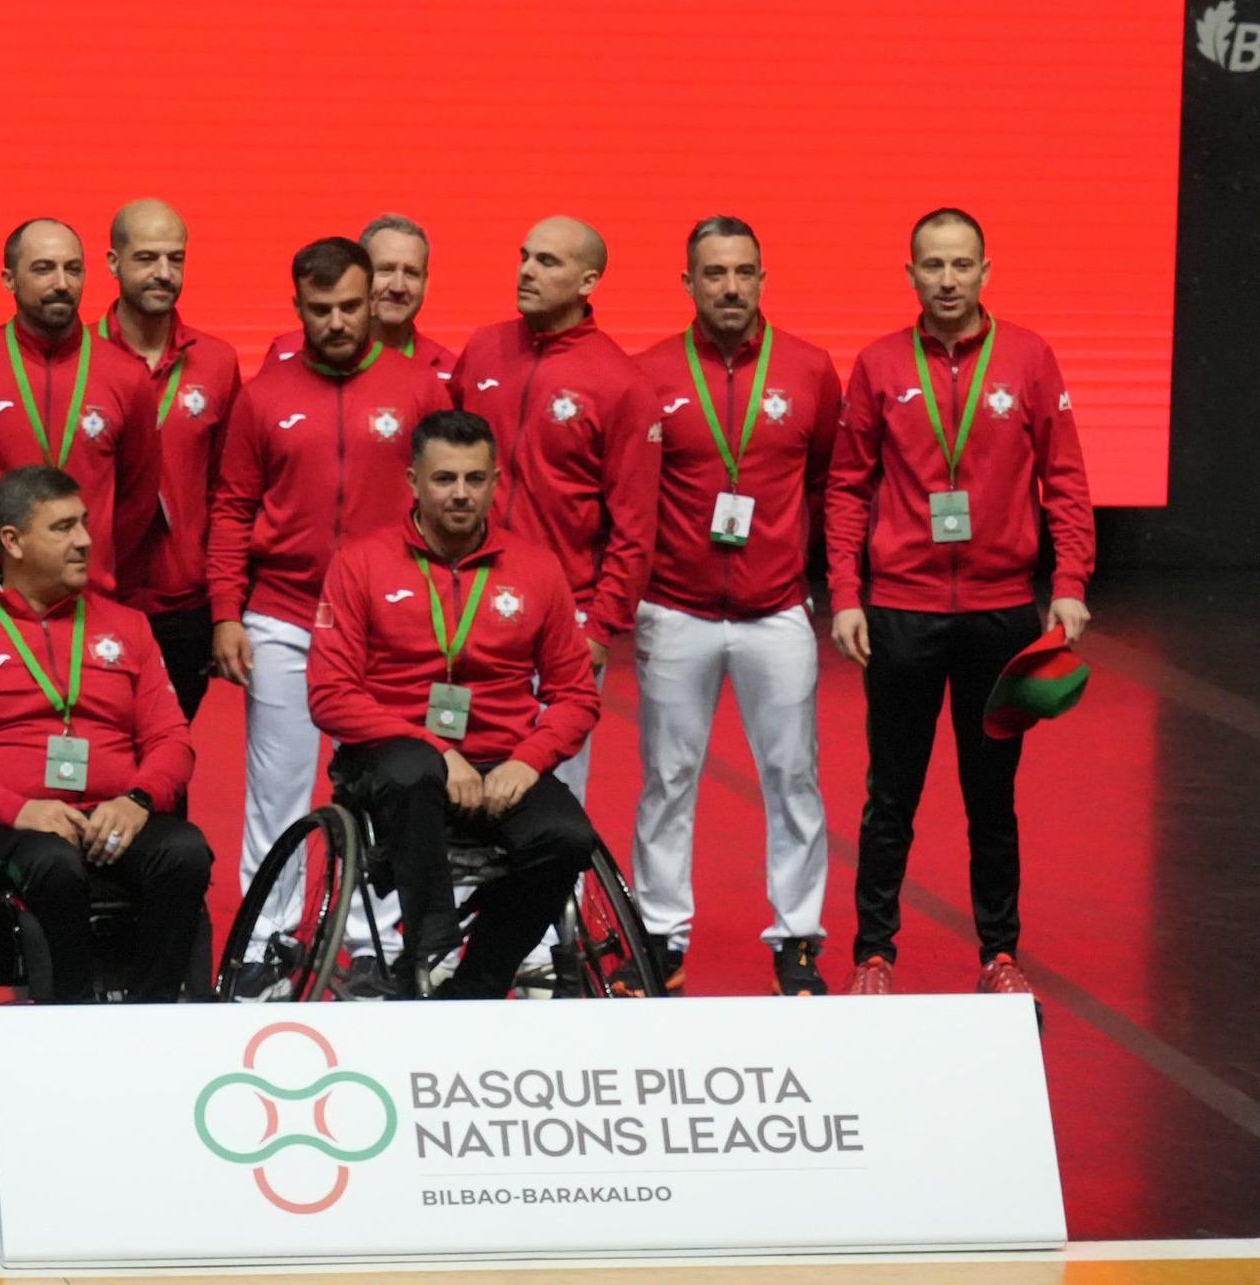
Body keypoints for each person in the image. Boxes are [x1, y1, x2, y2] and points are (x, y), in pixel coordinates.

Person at [827, 207, 1094, 1008]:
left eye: (961, 264)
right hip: (902, 612)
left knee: (992, 797)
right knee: (891, 796)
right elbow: (847, 487)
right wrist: (846, 594)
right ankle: (874, 956)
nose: (947, 280)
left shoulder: (1028, 356)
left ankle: (1000, 953)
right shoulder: (879, 364)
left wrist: (1070, 583)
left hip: (1001, 614)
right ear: (910, 273)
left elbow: (1065, 479)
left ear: (985, 271)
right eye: (933, 265)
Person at [208, 236, 451, 997]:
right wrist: (226, 612)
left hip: (388, 626)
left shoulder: (420, 390)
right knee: (276, 791)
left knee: (387, 785)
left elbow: (449, 508)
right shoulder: (263, 396)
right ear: (297, 307)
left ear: (371, 297)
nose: (338, 322)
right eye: (321, 310)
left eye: (350, 305)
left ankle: (373, 944)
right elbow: (232, 508)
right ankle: (268, 942)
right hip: (282, 618)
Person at [306, 410, 599, 998]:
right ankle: (430, 944)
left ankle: (477, 982)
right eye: (444, 479)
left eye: (474, 478)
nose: (460, 493)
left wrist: (529, 761)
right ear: (413, 482)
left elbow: (576, 694)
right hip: (394, 754)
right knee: (414, 772)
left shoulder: (537, 569)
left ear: (496, 482)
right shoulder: (360, 562)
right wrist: (440, 751)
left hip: (501, 763)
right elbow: (330, 693)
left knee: (568, 837)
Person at [0, 466, 211, 1002]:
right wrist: (18, 809)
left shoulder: (128, 627)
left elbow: (172, 741)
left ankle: (151, 1012)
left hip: (110, 819)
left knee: (185, 851)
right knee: (53, 862)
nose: (84, 540)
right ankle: (70, 1010)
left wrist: (138, 799)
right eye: (63, 528)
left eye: (83, 523)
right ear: (13, 542)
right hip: (4, 828)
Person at [628, 216, 843, 997]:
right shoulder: (648, 372)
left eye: (743, 272)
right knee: (667, 777)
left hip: (775, 610)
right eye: (714, 273)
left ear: (762, 278)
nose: (730, 287)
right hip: (675, 608)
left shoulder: (810, 369)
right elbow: (633, 493)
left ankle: (797, 938)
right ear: (688, 282)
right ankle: (661, 934)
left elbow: (825, 480)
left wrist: (805, 571)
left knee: (794, 776)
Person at [450, 215, 661, 802]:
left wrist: (601, 627)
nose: (526, 271)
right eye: (524, 256)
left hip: (559, 620)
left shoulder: (621, 383)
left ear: (588, 281)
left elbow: (634, 526)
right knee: (447, 775)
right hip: (460, 602)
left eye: (547, 261)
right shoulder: (484, 349)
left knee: (545, 793)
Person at [0, 218, 162, 599]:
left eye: (73, 269)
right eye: (43, 269)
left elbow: (138, 502)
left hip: (88, 599)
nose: (62, 283)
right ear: (9, 279)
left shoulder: (127, 377)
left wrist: (97, 560)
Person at [98, 198, 243, 720]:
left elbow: (229, 494)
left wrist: (224, 607)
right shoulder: (82, 359)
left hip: (185, 606)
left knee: (172, 750)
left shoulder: (218, 362)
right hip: (96, 599)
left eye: (175, 258)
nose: (163, 272)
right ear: (113, 263)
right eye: (147, 258)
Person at [265, 215, 457, 381]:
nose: (398, 287)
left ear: (426, 283)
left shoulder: (448, 372)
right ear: (360, 276)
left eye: (411, 273)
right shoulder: (286, 353)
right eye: (385, 270)